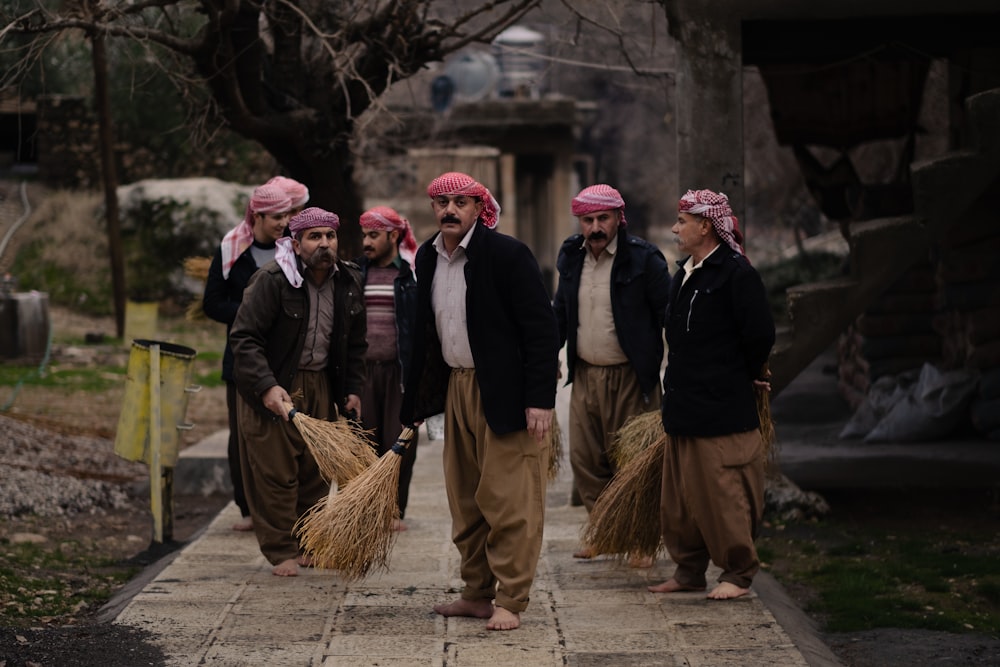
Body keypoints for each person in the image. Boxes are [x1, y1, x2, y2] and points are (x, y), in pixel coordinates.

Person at [400, 172, 560, 631]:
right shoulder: (427, 258)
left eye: (461, 202)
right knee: (466, 500)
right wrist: (419, 401)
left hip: (505, 393)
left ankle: (510, 599)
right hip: (457, 389)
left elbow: (540, 331)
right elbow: (427, 335)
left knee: (509, 500)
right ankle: (476, 593)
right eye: (441, 203)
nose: (449, 211)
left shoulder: (508, 255)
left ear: (477, 208)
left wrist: (540, 400)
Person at [648, 189, 775, 600]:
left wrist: (746, 373)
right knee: (681, 501)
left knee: (724, 495)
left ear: (706, 226)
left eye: (682, 221)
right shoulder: (686, 272)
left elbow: (759, 335)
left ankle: (738, 572)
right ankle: (688, 570)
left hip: (721, 408)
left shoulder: (736, 274)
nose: (674, 228)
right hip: (684, 407)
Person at [229, 206, 367, 577]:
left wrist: (352, 388)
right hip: (276, 388)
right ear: (296, 243)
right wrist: (266, 386)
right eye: (314, 237)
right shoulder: (272, 280)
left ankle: (309, 543)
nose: (324, 244)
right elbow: (244, 339)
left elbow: (355, 343)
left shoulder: (349, 280)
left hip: (320, 383)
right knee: (275, 474)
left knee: (317, 472)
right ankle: (281, 550)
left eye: (330, 236)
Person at [552, 184, 671, 560]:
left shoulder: (645, 259)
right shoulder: (571, 257)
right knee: (586, 461)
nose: (595, 227)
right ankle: (606, 533)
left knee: (635, 463)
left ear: (619, 218)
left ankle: (642, 541)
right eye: (587, 220)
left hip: (632, 378)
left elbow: (669, 316)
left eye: (602, 218)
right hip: (585, 374)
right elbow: (560, 311)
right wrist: (546, 356)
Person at [203, 182, 302, 531]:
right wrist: (251, 313)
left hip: (287, 359)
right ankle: (248, 509)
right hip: (243, 359)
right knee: (242, 437)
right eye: (277, 216)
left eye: (288, 215)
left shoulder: (292, 248)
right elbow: (212, 303)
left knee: (286, 436)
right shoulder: (233, 248)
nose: (284, 222)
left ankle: (284, 512)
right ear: (257, 215)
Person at [356, 205, 419, 530]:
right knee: (364, 440)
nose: (366, 242)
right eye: (364, 235)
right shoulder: (356, 274)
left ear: (393, 235)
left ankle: (394, 510)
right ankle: (368, 507)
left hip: (400, 374)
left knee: (400, 442)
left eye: (373, 235)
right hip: (364, 373)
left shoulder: (410, 274)